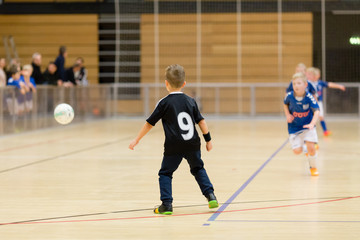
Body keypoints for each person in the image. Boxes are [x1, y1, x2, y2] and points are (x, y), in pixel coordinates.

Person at [129, 64, 218, 215]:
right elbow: (201, 122)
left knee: (165, 173)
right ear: (184, 84)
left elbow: (149, 124)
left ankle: (167, 205)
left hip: (173, 145)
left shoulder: (164, 103)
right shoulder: (191, 101)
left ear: (166, 83)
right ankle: (210, 196)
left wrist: (137, 139)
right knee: (197, 168)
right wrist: (208, 140)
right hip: (192, 143)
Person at [284, 72, 320, 176]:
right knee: (297, 151)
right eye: (294, 84)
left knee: (311, 147)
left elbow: (317, 111)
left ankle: (313, 167)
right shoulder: (289, 96)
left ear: (305, 85)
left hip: (308, 126)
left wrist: (312, 124)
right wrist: (287, 115)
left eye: (299, 83)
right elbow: (285, 104)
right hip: (294, 127)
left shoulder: (309, 97)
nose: (296, 86)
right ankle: (306, 149)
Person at [307, 67, 346, 137]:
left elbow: (330, 84)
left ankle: (325, 131)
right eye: (312, 75)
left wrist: (339, 86)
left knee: (321, 117)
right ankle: (310, 135)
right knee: (312, 119)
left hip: (319, 102)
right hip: (310, 103)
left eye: (316, 74)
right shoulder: (308, 83)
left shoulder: (320, 83)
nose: (314, 76)